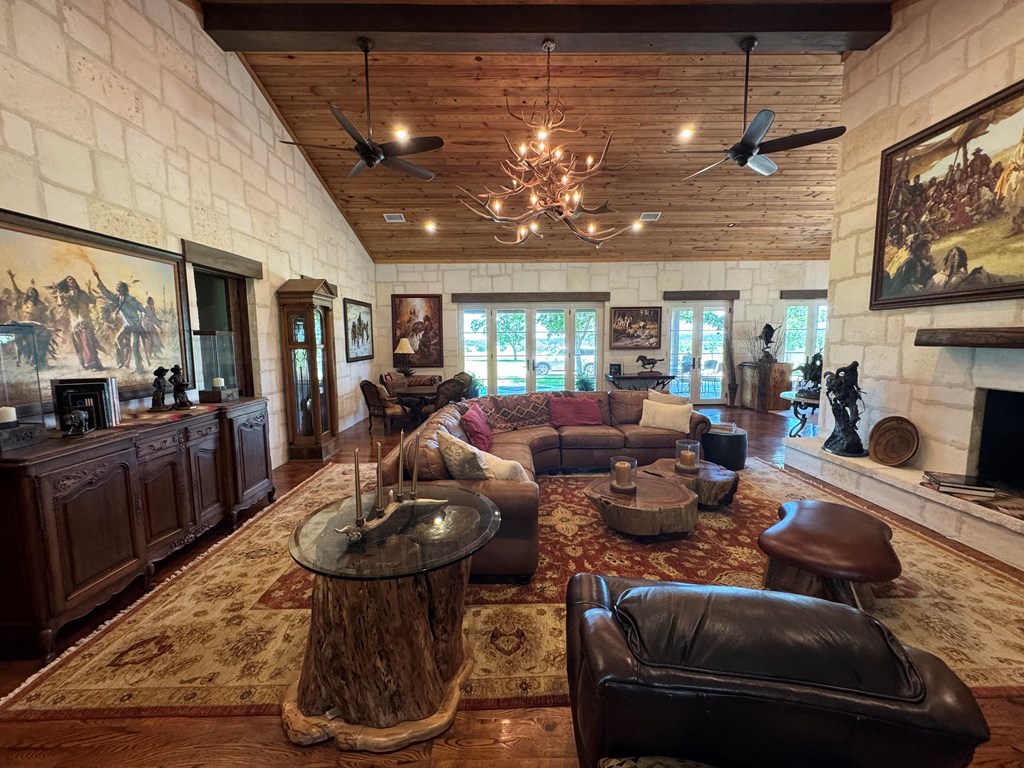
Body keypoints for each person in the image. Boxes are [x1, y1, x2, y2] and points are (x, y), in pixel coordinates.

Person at [92, 268, 147, 373]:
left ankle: (139, 367)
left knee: (134, 347)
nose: (117, 288)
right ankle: (122, 361)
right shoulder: (117, 298)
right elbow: (106, 292)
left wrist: (143, 315)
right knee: (117, 340)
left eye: (119, 286)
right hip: (127, 325)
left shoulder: (129, 299)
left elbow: (140, 307)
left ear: (124, 289)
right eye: (116, 286)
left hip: (135, 325)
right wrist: (98, 277)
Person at [49, 275, 105, 371]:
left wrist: (88, 289)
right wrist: (59, 293)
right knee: (79, 344)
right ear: (67, 284)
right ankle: (84, 363)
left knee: (88, 343)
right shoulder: (66, 296)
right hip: (74, 323)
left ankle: (93, 364)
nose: (71, 282)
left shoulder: (82, 294)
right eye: (68, 281)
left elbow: (92, 301)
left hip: (85, 321)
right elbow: (62, 304)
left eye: (72, 280)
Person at [995, 126, 1024, 236]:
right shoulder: (1019, 147)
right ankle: (1017, 225)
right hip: (1017, 174)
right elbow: (1012, 161)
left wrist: (1021, 167)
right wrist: (1014, 166)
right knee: (1012, 196)